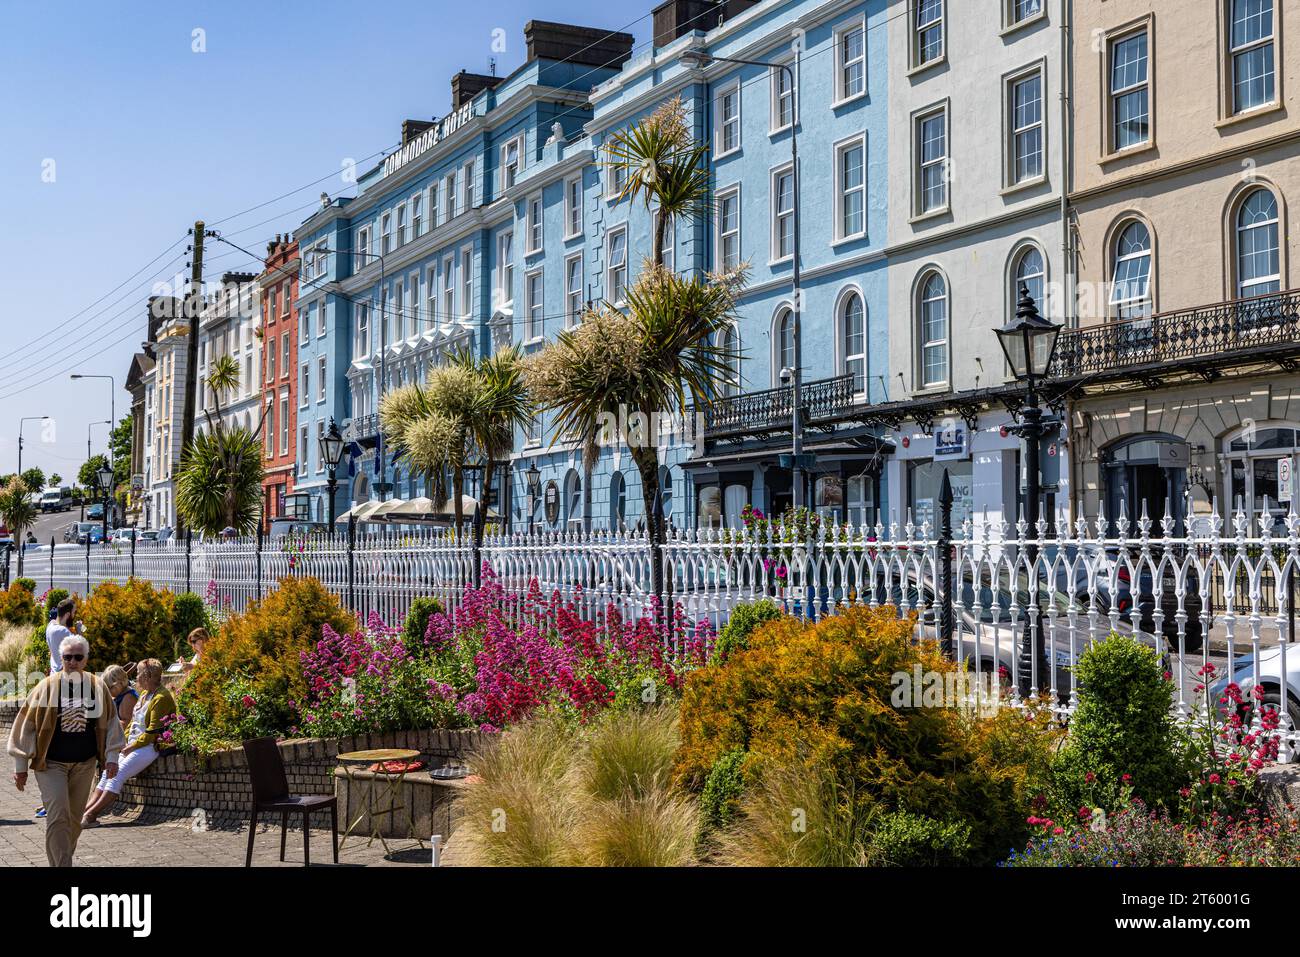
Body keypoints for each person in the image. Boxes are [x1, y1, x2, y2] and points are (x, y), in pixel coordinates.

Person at [7, 634, 124, 866]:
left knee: (73, 820)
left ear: (86, 660)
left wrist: (111, 758)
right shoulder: (46, 686)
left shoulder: (97, 686)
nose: (72, 661)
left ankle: (62, 859)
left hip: (85, 763)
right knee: (58, 815)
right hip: (50, 764)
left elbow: (112, 725)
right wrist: (20, 766)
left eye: (77, 657)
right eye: (67, 657)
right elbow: (26, 726)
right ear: (61, 658)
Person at [81, 660, 174, 828]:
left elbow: (153, 732)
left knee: (118, 774)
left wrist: (131, 746)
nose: (136, 677)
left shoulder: (161, 697)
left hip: (149, 747)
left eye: (138, 673)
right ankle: (84, 811)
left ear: (147, 676)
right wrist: (121, 741)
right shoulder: (145, 695)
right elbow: (133, 724)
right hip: (133, 744)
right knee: (108, 772)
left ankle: (91, 815)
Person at [101, 665, 138, 732]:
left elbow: (127, 724)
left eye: (110, 687)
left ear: (120, 683)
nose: (108, 691)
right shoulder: (120, 694)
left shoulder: (128, 698)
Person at [45, 598, 76, 674]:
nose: (74, 615)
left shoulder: (50, 625)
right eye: (74, 612)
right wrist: (79, 631)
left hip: (53, 673)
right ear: (68, 615)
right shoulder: (63, 631)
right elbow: (81, 649)